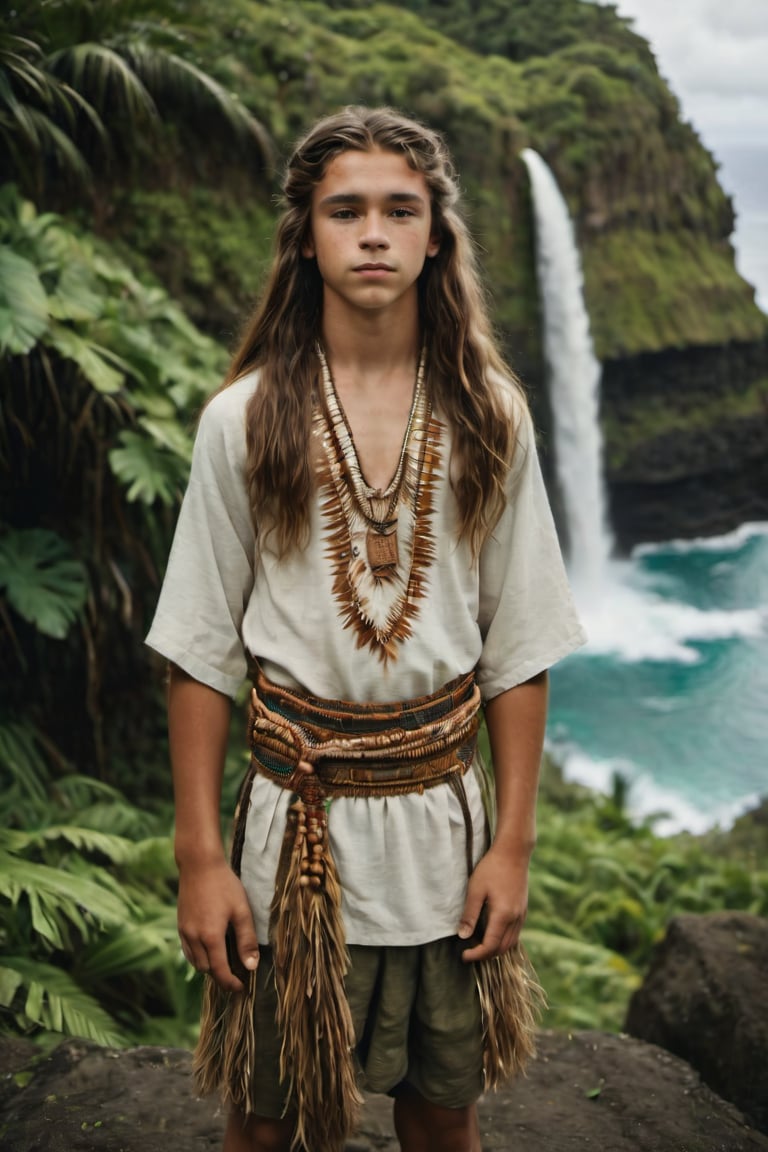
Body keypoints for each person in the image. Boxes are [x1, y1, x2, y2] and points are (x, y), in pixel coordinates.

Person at [146, 105, 586, 1152]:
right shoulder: (243, 420)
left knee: (443, 1114)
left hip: (442, 837)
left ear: (439, 235)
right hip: (290, 837)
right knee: (266, 1121)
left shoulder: (489, 413)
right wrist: (200, 859)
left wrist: (513, 846)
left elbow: (516, 649)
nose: (376, 233)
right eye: (347, 211)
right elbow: (201, 656)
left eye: (402, 209)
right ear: (306, 235)